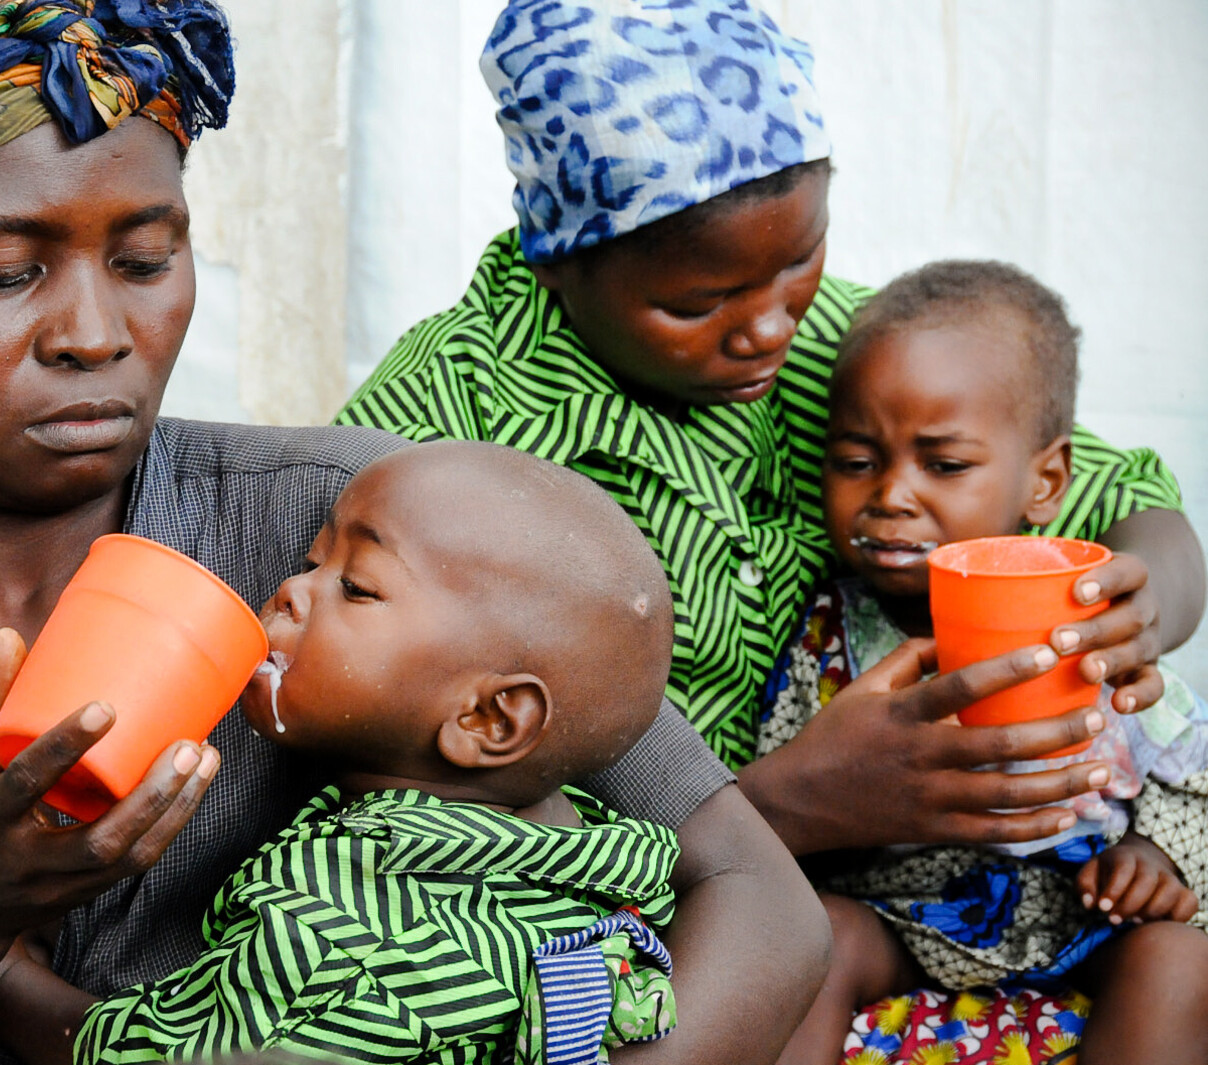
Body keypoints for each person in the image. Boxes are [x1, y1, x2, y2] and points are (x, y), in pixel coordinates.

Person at [0, 3, 829, 1064]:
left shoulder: (356, 527)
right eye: (6, 274)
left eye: (144, 258)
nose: (94, 333)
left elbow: (760, 900)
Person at [334, 0, 1206, 873]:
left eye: (800, 259)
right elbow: (374, 777)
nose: (768, 329)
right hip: (593, 899)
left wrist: (1139, 608)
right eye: (697, 304)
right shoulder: (443, 427)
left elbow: (1125, 501)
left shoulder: (844, 343)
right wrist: (785, 804)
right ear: (557, 260)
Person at [0, 439, 733, 1062]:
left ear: (489, 719)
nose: (290, 591)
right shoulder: (597, 864)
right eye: (314, 561)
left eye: (359, 589)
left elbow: (160, 1056)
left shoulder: (339, 933)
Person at [760, 261, 1208, 1065]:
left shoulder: (1087, 623)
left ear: (1046, 480)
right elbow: (791, 785)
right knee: (816, 937)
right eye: (857, 461)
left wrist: (1156, 856)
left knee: (1180, 957)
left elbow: (1190, 762)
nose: (891, 494)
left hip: (1083, 917)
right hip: (903, 921)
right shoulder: (830, 636)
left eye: (945, 464)